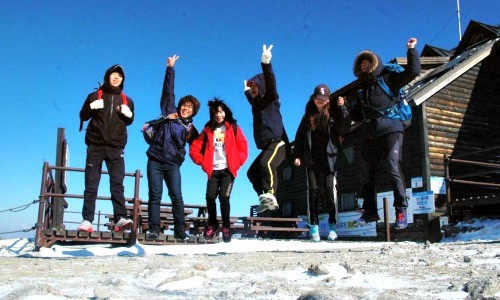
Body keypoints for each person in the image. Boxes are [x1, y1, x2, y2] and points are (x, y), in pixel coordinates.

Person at [351, 38, 421, 230]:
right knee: (366, 173)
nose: (364, 66)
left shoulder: (389, 78)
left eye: (367, 62)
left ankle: (400, 210)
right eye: (361, 64)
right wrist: (343, 109)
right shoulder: (362, 90)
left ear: (374, 62)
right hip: (370, 134)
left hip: (391, 129)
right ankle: (370, 212)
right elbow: (356, 116)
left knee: (392, 167)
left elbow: (413, 71)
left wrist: (411, 50)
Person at [143, 54, 200, 241]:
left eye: (189, 107)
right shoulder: (169, 112)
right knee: (155, 195)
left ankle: (180, 231)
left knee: (177, 196)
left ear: (193, 112)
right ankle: (153, 230)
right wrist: (170, 69)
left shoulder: (191, 129)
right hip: (155, 160)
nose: (185, 108)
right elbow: (168, 91)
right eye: (184, 105)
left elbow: (202, 146)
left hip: (173, 164)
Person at [78, 64, 135, 233]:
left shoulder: (127, 100)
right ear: (107, 76)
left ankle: (120, 218)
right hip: (95, 146)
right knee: (91, 184)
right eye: (113, 74)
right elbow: (83, 115)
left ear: (123, 80)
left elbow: (130, 121)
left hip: (116, 147)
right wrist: (91, 107)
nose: (116, 77)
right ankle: (87, 220)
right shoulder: (94, 95)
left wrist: (129, 114)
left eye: (120, 76)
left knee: (117, 184)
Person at [293, 84, 350, 242]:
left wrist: (343, 107)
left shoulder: (333, 113)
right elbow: (299, 138)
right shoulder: (307, 116)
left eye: (324, 99)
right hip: (312, 159)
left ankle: (332, 226)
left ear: (328, 99)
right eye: (318, 98)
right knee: (313, 191)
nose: (320, 101)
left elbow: (344, 126)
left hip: (330, 158)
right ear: (313, 98)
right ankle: (314, 226)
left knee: (330, 191)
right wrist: (297, 155)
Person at [189, 98, 249, 243]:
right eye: (216, 112)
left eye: (221, 112)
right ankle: (213, 224)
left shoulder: (233, 128)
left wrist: (237, 162)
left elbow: (243, 147)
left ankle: (226, 227)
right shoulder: (208, 129)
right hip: (213, 170)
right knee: (210, 197)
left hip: (228, 170)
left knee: (224, 197)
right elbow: (195, 147)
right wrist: (201, 161)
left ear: (225, 112)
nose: (219, 115)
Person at [244, 44, 290, 214]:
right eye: (251, 89)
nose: (252, 90)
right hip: (267, 146)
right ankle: (265, 197)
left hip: (279, 143)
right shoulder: (257, 105)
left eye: (254, 87)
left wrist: (266, 63)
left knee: (265, 163)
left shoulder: (271, 98)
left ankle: (271, 193)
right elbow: (254, 103)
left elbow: (270, 83)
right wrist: (246, 92)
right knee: (252, 172)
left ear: (262, 87)